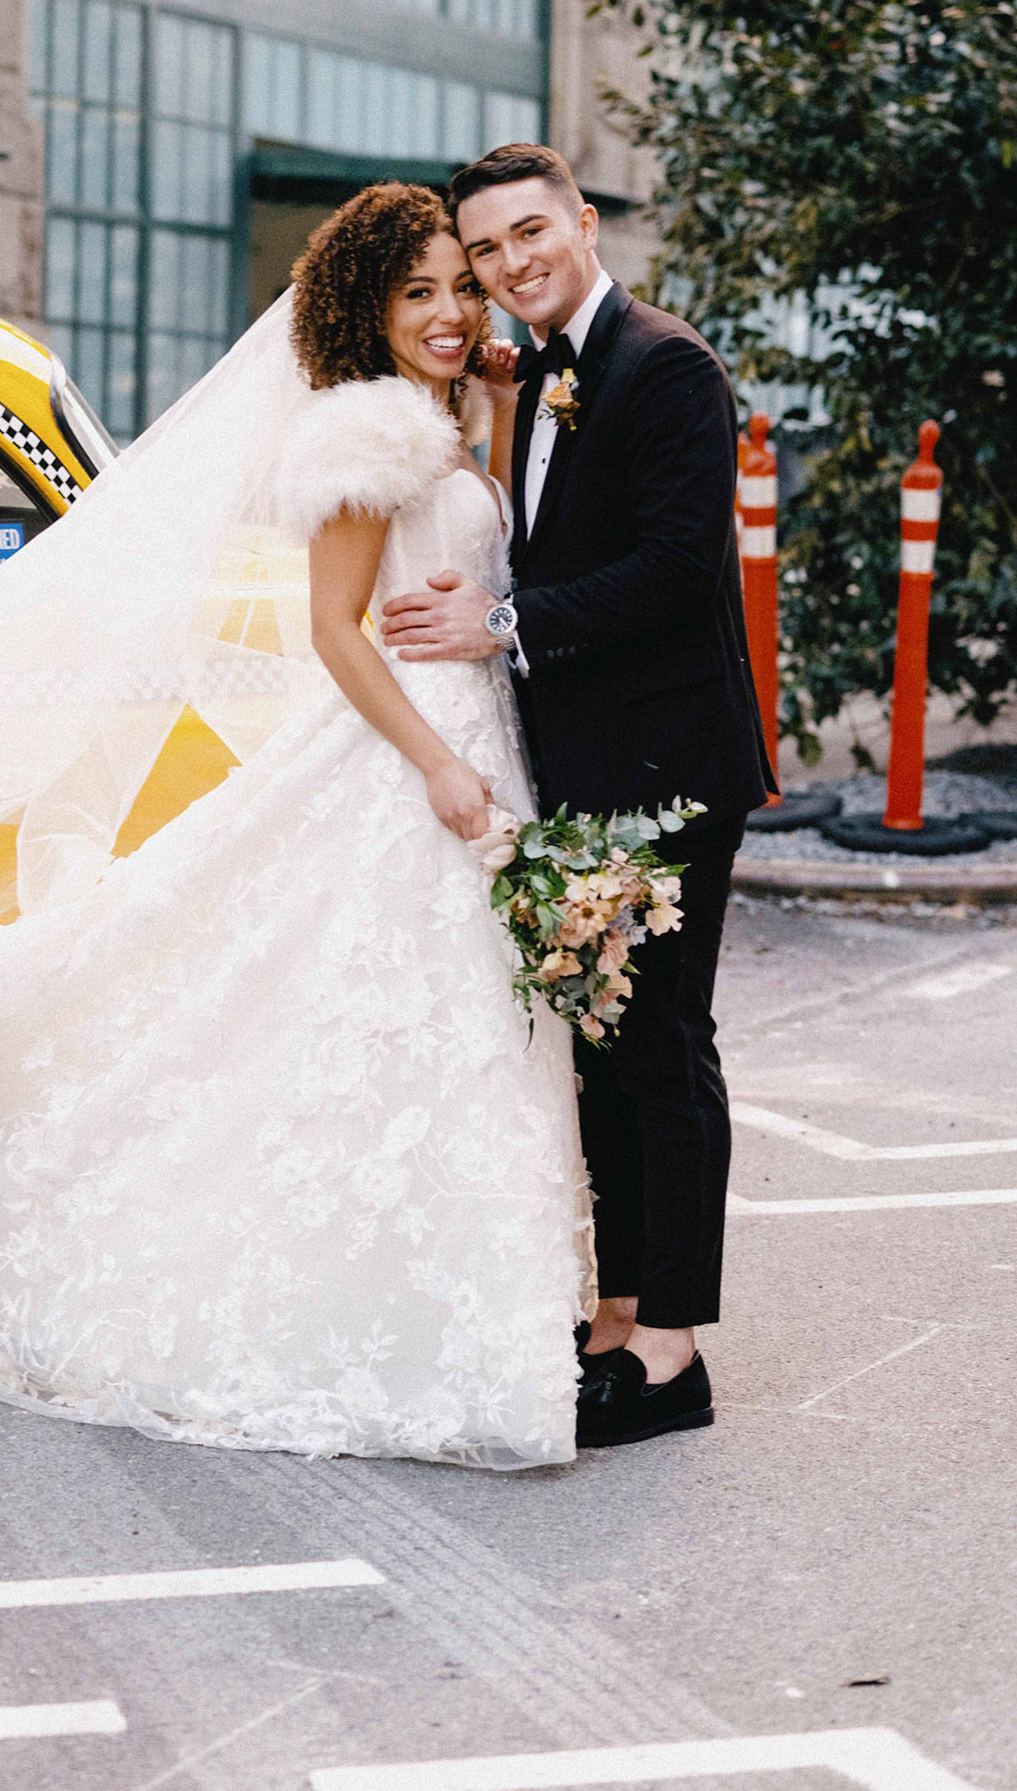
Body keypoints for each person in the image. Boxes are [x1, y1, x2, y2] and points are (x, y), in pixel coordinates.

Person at [0, 183, 589, 1467]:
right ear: (367, 306)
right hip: (416, 759)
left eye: (461, 285)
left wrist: (506, 408)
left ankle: (479, 1296)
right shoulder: (364, 430)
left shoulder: (446, 414)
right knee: (398, 1017)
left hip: (474, 738)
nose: (452, 310)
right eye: (419, 291)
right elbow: (333, 631)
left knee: (445, 1028)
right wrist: (434, 769)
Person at [380, 144, 774, 1450]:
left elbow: (670, 569)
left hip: (665, 772)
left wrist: (497, 621)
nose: (510, 264)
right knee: (599, 1046)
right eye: (487, 252)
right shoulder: (546, 370)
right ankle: (613, 1315)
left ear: (581, 224)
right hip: (579, 777)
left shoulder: (664, 366)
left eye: (528, 235)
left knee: (661, 1045)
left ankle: (672, 1354)